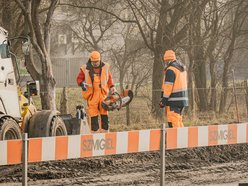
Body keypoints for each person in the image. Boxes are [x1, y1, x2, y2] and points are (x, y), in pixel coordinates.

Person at [76, 51, 116, 133]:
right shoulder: (85, 68)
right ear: (90, 60)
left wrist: (112, 87)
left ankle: (105, 132)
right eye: (93, 62)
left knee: (104, 113)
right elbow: (79, 79)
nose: (95, 63)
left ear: (99, 59)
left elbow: (109, 79)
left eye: (97, 61)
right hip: (92, 96)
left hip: (103, 95)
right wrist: (82, 84)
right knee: (93, 114)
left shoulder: (105, 67)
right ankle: (95, 134)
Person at [159, 50, 188, 128]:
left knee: (173, 121)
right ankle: (183, 138)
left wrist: (163, 100)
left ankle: (177, 139)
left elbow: (168, 86)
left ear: (167, 60)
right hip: (182, 100)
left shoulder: (171, 70)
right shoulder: (181, 69)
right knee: (178, 120)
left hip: (173, 100)